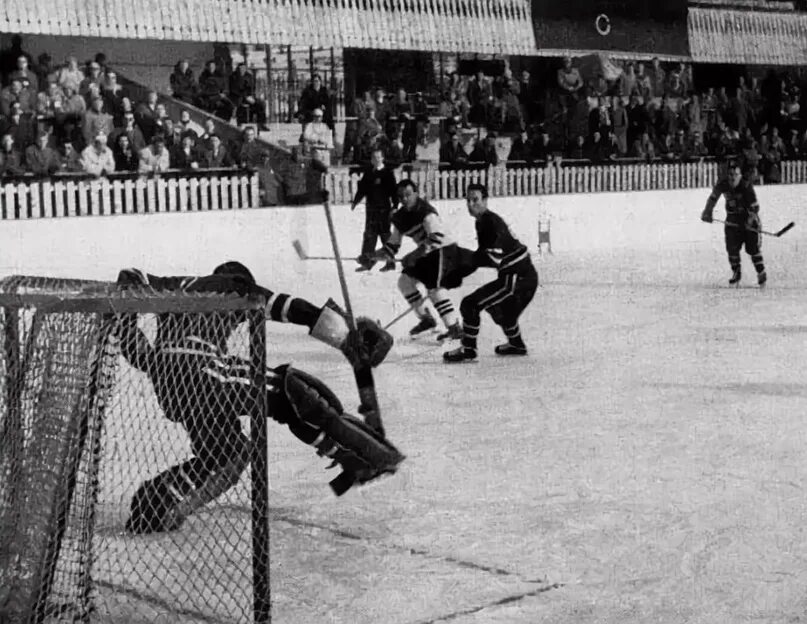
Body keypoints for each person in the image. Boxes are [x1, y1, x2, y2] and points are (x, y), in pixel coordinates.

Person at [114, 261, 401, 534]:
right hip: (203, 371)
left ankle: (154, 505)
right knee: (293, 390)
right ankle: (370, 458)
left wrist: (130, 331)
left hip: (170, 386)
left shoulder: (176, 285)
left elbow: (131, 276)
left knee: (226, 454)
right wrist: (343, 335)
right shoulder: (236, 285)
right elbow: (293, 309)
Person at [443, 184, 539, 363]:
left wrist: (458, 273)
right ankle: (516, 345)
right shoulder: (484, 220)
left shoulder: (489, 222)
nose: (471, 204)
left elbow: (489, 257)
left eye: (476, 200)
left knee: (470, 304)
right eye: (468, 200)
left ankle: (468, 349)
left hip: (517, 277)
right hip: (523, 276)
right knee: (501, 311)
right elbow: (483, 255)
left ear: (485, 201)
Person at [370, 179, 475, 340]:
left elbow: (436, 237)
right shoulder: (400, 218)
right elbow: (391, 247)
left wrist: (414, 255)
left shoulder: (426, 211)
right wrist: (370, 256)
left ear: (416, 194)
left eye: (408, 195)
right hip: (426, 254)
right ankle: (426, 319)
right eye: (401, 196)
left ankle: (454, 327)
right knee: (405, 282)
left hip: (444, 250)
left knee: (434, 288)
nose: (404, 199)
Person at [701, 162, 767, 286]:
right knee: (732, 248)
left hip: (749, 220)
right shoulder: (723, 184)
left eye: (735, 174)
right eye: (730, 174)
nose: (732, 177)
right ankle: (736, 272)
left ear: (740, 175)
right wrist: (707, 212)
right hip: (732, 219)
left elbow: (755, 207)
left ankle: (761, 272)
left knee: (752, 249)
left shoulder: (746, 186)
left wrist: (750, 221)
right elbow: (713, 198)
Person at [351, 147, 397, 272]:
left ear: (382, 158)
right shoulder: (369, 173)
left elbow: (394, 191)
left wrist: (395, 206)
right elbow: (362, 189)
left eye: (378, 157)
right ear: (371, 160)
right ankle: (367, 262)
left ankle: (390, 262)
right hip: (371, 209)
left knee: (385, 235)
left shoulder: (387, 173)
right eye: (374, 158)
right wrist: (355, 201)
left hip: (384, 209)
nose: (376, 160)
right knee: (369, 235)